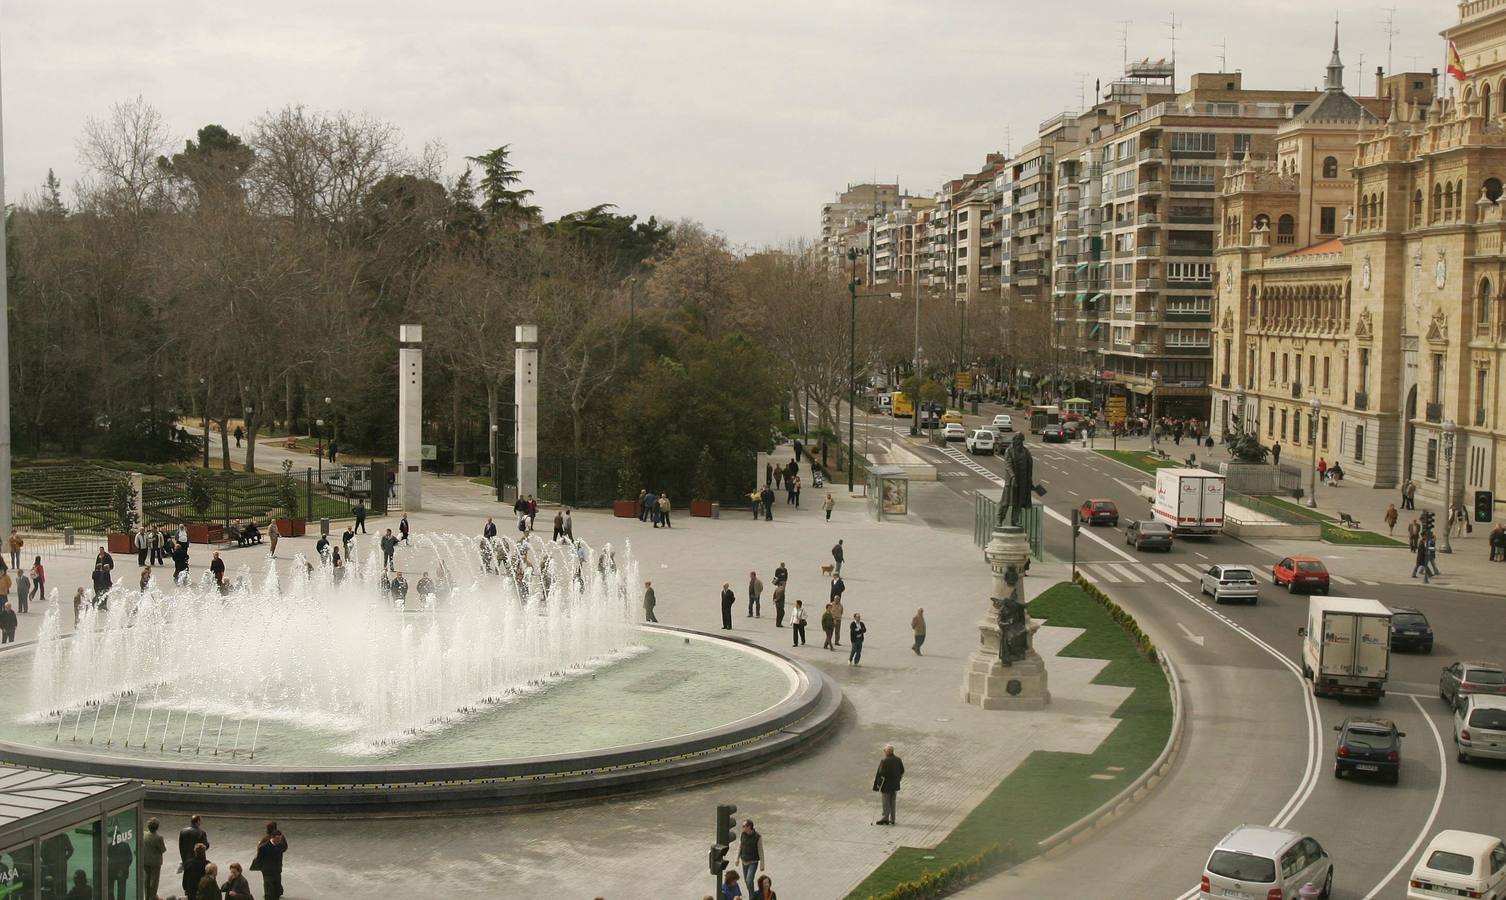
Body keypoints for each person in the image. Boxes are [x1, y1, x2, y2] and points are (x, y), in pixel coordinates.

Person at [252, 821, 288, 900]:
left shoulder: (268, 838)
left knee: (274, 884)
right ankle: (271, 894)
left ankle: (276, 892)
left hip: (274, 868)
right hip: (269, 869)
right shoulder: (272, 840)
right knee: (269, 885)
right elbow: (285, 848)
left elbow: (259, 850)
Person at [873, 744, 905, 825]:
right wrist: (898, 780)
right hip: (895, 785)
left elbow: (881, 773)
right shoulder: (898, 759)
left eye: (884, 751)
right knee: (892, 802)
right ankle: (893, 819)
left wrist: (878, 785)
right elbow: (902, 771)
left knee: (885, 802)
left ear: (887, 752)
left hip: (886, 785)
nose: (884, 752)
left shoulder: (884, 761)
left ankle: (885, 818)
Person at [141, 817, 167, 900]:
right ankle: (153, 896)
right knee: (154, 881)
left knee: (147, 879)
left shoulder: (144, 834)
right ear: (157, 827)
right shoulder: (158, 837)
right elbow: (163, 849)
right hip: (155, 862)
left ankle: (147, 896)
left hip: (145, 860)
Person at [737, 820, 765, 889]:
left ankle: (752, 897)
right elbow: (740, 846)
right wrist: (737, 858)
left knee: (749, 880)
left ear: (749, 827)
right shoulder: (742, 834)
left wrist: (762, 864)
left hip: (753, 862)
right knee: (746, 882)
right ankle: (751, 896)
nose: (742, 828)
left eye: (744, 826)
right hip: (744, 861)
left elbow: (760, 851)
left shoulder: (757, 837)